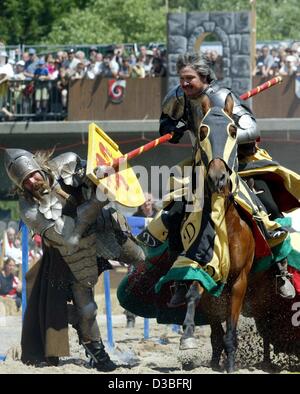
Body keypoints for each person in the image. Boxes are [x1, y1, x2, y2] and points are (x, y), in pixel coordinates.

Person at [158, 51, 297, 299]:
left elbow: (252, 127)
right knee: (176, 212)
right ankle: (180, 277)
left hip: (237, 161)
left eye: (189, 78)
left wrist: (224, 133)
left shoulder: (223, 96)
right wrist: (173, 128)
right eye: (182, 79)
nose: (184, 83)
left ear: (204, 77)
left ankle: (281, 269)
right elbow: (165, 121)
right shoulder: (177, 97)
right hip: (202, 164)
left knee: (267, 206)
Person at [4, 148, 145, 371]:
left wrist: (100, 174)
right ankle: (96, 352)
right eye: (25, 181)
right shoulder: (28, 209)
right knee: (86, 308)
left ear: (38, 166)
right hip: (72, 252)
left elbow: (94, 178)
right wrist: (99, 199)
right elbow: (67, 236)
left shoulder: (68, 162)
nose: (31, 181)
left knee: (143, 261)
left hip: (104, 226)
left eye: (32, 174)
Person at [124, 193, 159, 328]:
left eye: (149, 200)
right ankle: (130, 317)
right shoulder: (133, 219)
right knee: (131, 282)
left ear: (153, 201)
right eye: (144, 201)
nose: (146, 203)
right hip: (138, 255)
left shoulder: (159, 215)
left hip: (157, 255)